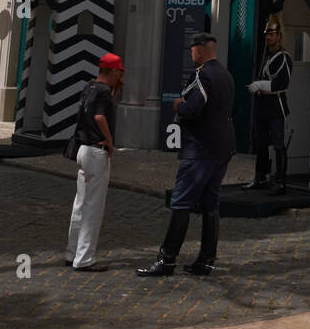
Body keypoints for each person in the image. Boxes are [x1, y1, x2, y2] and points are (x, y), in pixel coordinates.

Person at [137, 32, 235, 278]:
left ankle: (166, 259)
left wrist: (178, 104)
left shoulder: (202, 75)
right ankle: (206, 260)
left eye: (192, 49)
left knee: (181, 201)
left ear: (199, 50)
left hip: (201, 148)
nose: (191, 53)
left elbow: (193, 107)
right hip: (223, 147)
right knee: (211, 203)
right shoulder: (226, 74)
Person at [66, 51, 125, 272]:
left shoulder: (89, 87)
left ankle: (72, 252)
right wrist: (109, 140)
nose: (121, 77)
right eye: (120, 72)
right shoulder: (102, 92)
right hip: (95, 151)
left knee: (80, 205)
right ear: (114, 71)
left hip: (82, 149)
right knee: (93, 208)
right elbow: (100, 117)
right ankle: (84, 259)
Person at [245, 13, 293, 195]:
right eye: (267, 34)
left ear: (279, 36)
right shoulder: (266, 55)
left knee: (279, 144)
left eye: (271, 34)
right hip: (263, 106)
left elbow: (282, 84)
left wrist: (259, 85)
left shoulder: (284, 57)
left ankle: (280, 182)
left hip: (276, 106)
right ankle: (261, 177)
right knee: (261, 143)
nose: (268, 37)